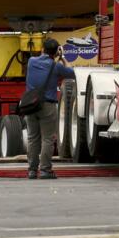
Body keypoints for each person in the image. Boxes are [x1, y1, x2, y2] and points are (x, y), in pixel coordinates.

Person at [22, 36, 77, 180]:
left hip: (31, 104)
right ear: (56, 52)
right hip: (47, 105)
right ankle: (45, 170)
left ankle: (32, 171)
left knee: (33, 138)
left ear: (42, 49)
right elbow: (72, 73)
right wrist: (63, 58)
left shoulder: (31, 62)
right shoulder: (57, 66)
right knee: (47, 139)